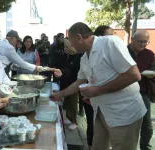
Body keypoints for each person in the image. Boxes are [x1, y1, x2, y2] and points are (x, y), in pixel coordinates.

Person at [51, 22, 146, 150]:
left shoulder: (109, 43)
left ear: (79, 37)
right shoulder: (84, 57)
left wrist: (98, 90)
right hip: (101, 111)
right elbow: (79, 82)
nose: (71, 46)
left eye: (71, 42)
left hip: (123, 113)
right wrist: (59, 95)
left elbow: (134, 75)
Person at [128, 30, 154, 150]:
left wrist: (152, 75)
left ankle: (145, 147)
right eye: (140, 41)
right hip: (123, 91)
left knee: (147, 124)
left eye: (146, 42)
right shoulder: (123, 52)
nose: (143, 44)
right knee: (128, 124)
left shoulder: (149, 54)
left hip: (142, 92)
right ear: (132, 39)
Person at [51, 38, 79, 131]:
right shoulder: (65, 56)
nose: (64, 49)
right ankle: (69, 117)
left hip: (73, 82)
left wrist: (62, 72)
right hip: (65, 81)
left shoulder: (76, 56)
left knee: (73, 102)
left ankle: (74, 121)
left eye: (66, 47)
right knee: (67, 101)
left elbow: (72, 71)